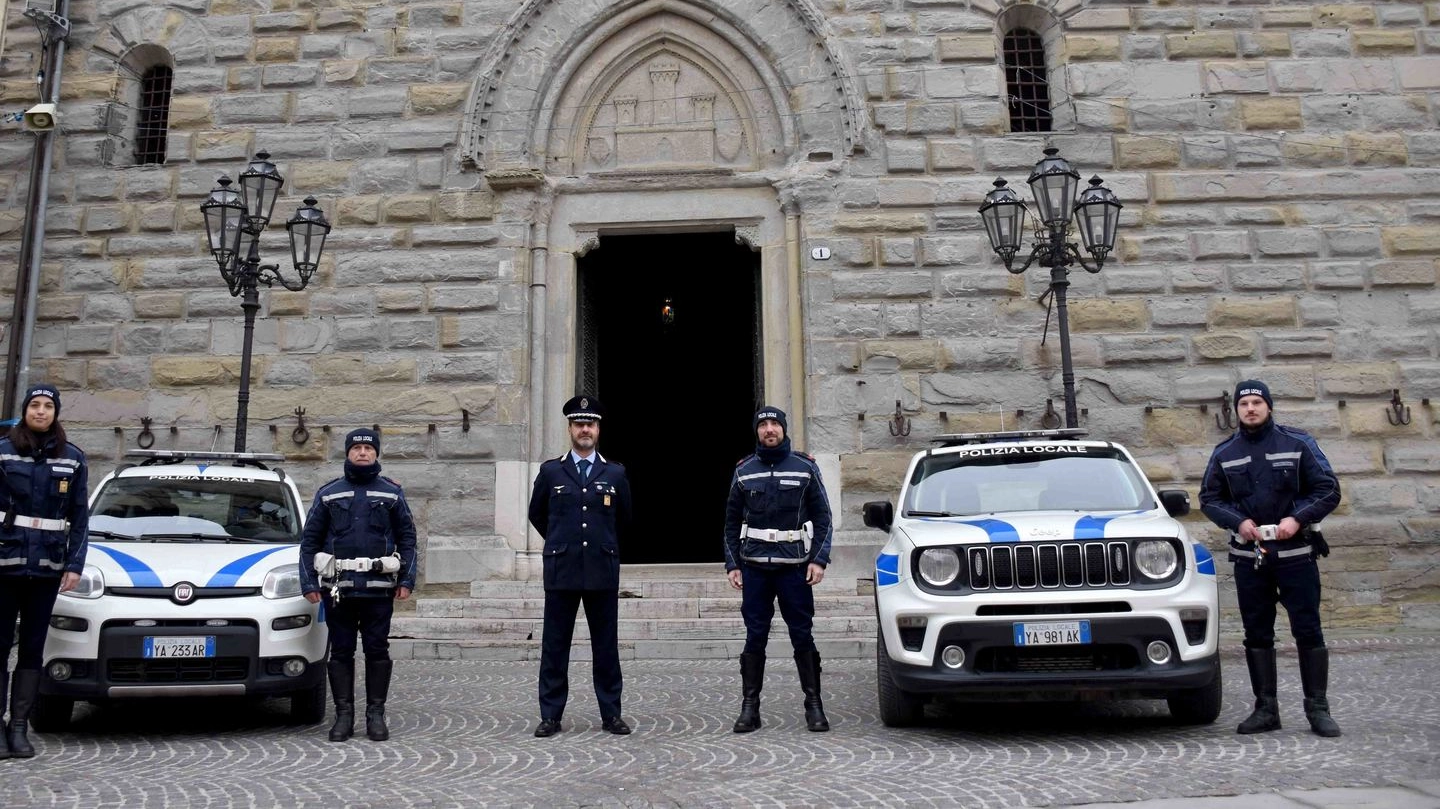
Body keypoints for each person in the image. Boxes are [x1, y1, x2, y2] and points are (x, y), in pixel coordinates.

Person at [1200, 379, 1343, 738]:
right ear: (1236, 410)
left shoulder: (1298, 444)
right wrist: (1239, 522)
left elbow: (1328, 488)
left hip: (1297, 556)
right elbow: (1209, 499)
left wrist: (1297, 518)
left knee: (1308, 631)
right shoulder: (1224, 453)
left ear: (1269, 406)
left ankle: (1318, 709)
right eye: (1244, 403)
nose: (1250, 408)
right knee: (1257, 635)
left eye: (1256, 402)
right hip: (1251, 559)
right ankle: (1265, 710)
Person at [300, 428, 418, 743]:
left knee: (378, 650)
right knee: (340, 652)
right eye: (357, 448)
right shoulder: (329, 493)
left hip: (379, 590)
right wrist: (309, 582)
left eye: (368, 448)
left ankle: (375, 716)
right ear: (348, 453)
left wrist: (406, 579)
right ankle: (343, 717)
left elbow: (407, 538)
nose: (362, 453)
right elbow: (309, 541)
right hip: (338, 590)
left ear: (376, 453)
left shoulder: (391, 493)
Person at [527, 395, 633, 737]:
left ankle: (611, 713)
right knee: (555, 646)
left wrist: (603, 546)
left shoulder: (615, 473)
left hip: (602, 571)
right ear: (570, 429)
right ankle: (551, 715)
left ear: (598, 429)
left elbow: (624, 519)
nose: (584, 429)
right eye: (578, 424)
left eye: (590, 424)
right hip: (562, 571)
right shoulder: (551, 471)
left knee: (606, 646)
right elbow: (537, 514)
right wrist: (561, 541)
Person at [723, 405, 833, 733]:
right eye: (763, 425)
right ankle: (749, 708)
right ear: (757, 432)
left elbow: (824, 516)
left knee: (802, 635)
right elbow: (730, 522)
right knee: (755, 637)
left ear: (784, 429)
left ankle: (814, 706)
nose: (769, 430)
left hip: (794, 568)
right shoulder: (744, 470)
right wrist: (732, 564)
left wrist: (818, 558)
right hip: (755, 567)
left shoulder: (805, 468)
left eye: (774, 424)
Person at [0, 384, 89, 759]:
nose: (40, 412)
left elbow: (80, 517)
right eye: (34, 405)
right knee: (0, 646)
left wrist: (74, 565)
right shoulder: (3, 452)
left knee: (33, 649)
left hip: (48, 569)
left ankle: (19, 727)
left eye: (47, 406)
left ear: (56, 412)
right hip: (4, 564)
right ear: (25, 411)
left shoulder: (71, 458)